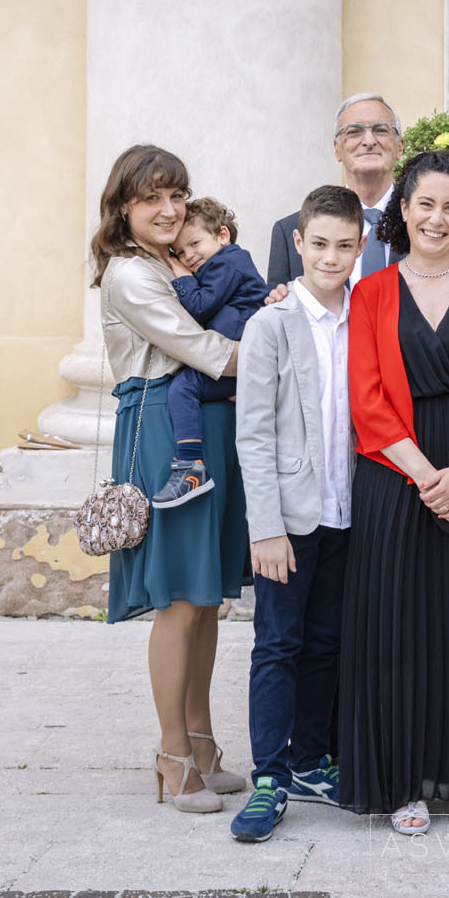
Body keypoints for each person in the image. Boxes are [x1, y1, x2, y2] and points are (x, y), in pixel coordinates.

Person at [337, 151, 449, 834]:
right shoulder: (372, 293)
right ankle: (405, 781)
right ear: (402, 209)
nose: (436, 217)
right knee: (400, 634)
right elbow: (368, 398)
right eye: (425, 204)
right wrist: (427, 478)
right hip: (396, 475)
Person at [89, 145, 250, 815]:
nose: (168, 209)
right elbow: (203, 350)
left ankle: (203, 743)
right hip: (164, 428)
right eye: (151, 198)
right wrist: (287, 355)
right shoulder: (131, 274)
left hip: (204, 423)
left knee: (206, 597)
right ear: (123, 207)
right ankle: (171, 752)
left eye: (176, 195)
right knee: (180, 598)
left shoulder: (171, 260)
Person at [227, 186, 364, 842]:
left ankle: (313, 761)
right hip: (289, 518)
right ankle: (269, 777)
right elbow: (252, 434)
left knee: (329, 642)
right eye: (320, 244)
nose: (331, 256)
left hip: (348, 510)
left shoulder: (367, 316)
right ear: (299, 245)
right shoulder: (272, 324)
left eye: (345, 245)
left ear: (360, 248)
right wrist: (266, 528)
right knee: (278, 643)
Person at [152, 198, 267, 505]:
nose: (188, 256)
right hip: (237, 359)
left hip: (242, 356)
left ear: (223, 236)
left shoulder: (228, 262)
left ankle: (189, 465)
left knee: (184, 387)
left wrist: (181, 276)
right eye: (179, 252)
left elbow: (200, 307)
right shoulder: (221, 263)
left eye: (194, 244)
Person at [267, 92, 403, 289]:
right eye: (354, 131)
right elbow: (279, 310)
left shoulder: (427, 227)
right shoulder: (289, 231)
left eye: (380, 130)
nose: (369, 140)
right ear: (337, 149)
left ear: (399, 147)